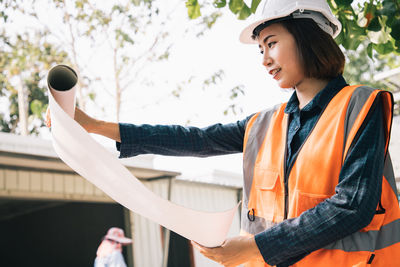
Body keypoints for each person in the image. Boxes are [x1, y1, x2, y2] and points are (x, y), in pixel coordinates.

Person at [46, 0, 400, 266]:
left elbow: (352, 205)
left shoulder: (363, 106)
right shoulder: (264, 124)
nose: (264, 59)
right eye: (261, 49)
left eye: (272, 43)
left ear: (310, 37)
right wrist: (94, 126)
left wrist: (253, 247)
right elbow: (195, 139)